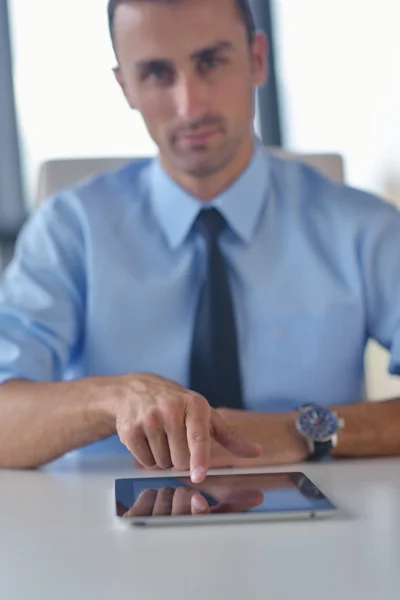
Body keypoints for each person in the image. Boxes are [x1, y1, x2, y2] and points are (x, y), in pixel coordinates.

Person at [1, 0, 400, 483]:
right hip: (107, 537)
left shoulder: (364, 228)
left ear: (257, 58)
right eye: (155, 73)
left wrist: (298, 431)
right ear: (125, 85)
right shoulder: (69, 229)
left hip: (324, 533)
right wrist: (114, 398)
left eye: (211, 62)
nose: (190, 105)